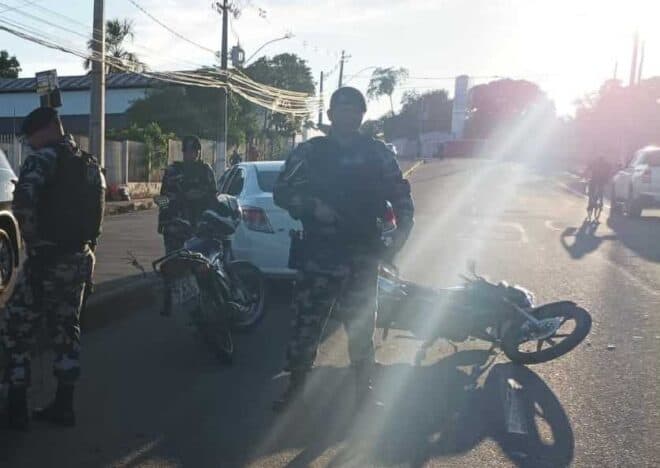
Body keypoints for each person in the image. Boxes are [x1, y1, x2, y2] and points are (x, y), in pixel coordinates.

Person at [272, 87, 414, 411]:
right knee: (305, 325)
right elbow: (281, 191)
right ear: (331, 114)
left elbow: (402, 198)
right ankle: (295, 389)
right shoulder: (310, 151)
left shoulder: (377, 154)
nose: (348, 115)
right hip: (319, 256)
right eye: (342, 109)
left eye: (354, 110)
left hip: (361, 256)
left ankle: (364, 392)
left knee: (362, 329)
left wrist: (397, 241)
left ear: (362, 115)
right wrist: (313, 206)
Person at [1, 107, 105, 430]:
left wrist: (34, 244)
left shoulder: (41, 160)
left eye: (32, 136)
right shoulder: (89, 164)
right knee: (66, 330)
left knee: (15, 327)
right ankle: (64, 404)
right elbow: (97, 213)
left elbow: (22, 204)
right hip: (79, 258)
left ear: (47, 129)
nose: (30, 142)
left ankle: (17, 406)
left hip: (47, 261)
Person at [158, 135, 216, 315]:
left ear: (198, 152)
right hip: (175, 226)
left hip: (198, 226)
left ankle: (205, 300)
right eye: (188, 151)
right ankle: (169, 300)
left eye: (193, 151)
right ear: (183, 152)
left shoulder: (205, 170)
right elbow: (162, 198)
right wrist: (166, 217)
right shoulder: (172, 171)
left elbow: (213, 197)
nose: (191, 154)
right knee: (172, 264)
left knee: (201, 265)